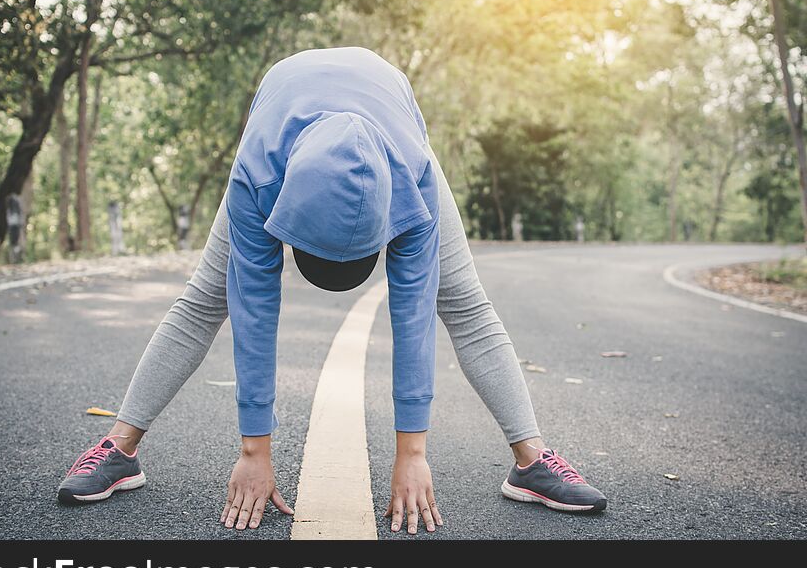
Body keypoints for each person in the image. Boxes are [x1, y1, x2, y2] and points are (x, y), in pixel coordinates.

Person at [57, 47, 607, 533]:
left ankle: (532, 461)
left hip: (392, 134)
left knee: (462, 300)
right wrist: (254, 450)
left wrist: (412, 453)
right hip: (285, 129)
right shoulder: (258, 175)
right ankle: (119, 449)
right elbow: (254, 308)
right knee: (207, 297)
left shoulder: (414, 185)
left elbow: (413, 314)